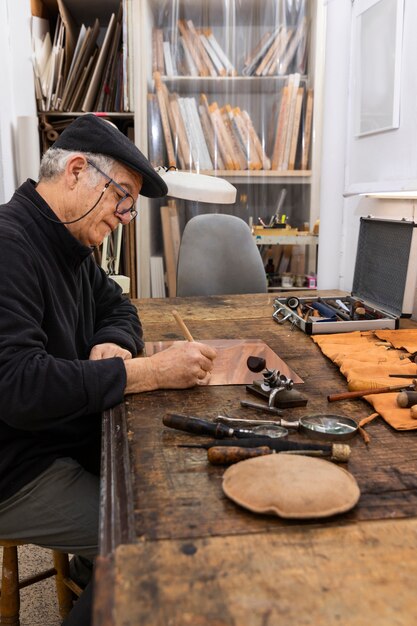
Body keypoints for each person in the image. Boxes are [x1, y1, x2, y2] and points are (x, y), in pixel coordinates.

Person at [0, 114, 217, 624]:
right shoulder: (11, 247)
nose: (124, 215)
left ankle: (93, 559)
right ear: (76, 171)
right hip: (18, 468)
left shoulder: (69, 242)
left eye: (131, 205)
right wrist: (149, 373)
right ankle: (109, 565)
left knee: (173, 476)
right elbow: (19, 386)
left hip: (59, 437)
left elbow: (118, 308)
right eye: (121, 196)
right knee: (158, 537)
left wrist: (112, 343)